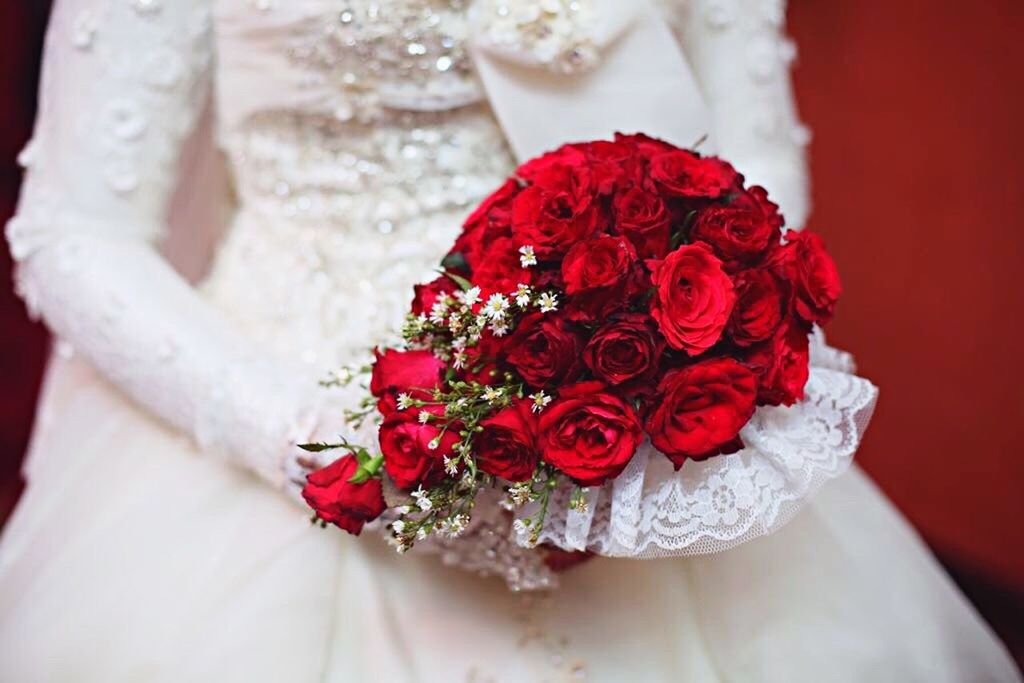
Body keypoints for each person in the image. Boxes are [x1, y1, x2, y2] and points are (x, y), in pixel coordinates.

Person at [0, 0, 1018, 680]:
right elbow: (74, 230)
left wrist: (660, 392)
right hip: (292, 424)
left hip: (626, 438)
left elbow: (751, 163)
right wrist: (311, 438)